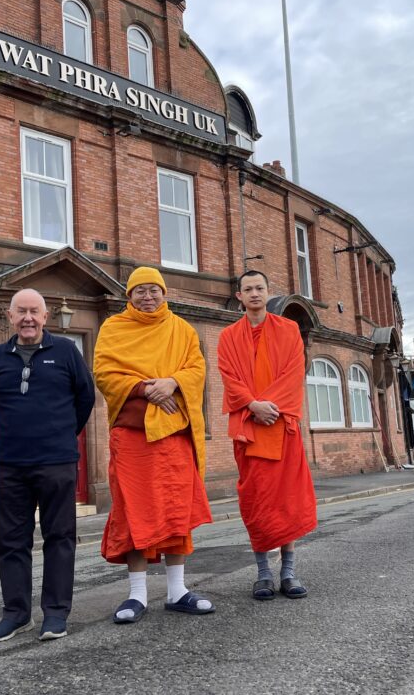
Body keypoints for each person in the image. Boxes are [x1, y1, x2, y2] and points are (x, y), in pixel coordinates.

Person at [94, 266, 214, 623]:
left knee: (177, 513)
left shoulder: (182, 329)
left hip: (173, 437)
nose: (147, 297)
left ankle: (178, 591)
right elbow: (104, 373)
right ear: (128, 296)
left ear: (164, 293)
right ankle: (137, 595)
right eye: (139, 291)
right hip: (132, 438)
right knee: (134, 512)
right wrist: (146, 389)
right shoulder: (113, 328)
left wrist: (173, 382)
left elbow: (197, 368)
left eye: (154, 290)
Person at [0, 288, 95, 643]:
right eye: (21, 312)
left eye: (34, 311)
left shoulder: (66, 352)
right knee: (11, 541)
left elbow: (85, 397)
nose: (28, 318)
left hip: (57, 462)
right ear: (10, 317)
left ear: (45, 317)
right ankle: (16, 614)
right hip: (9, 464)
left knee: (59, 538)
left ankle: (56, 613)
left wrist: (60, 433)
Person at [216, 270, 318, 600]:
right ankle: (262, 573)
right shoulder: (229, 336)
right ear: (240, 296)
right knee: (256, 500)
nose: (255, 293)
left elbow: (293, 374)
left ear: (268, 292)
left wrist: (268, 406)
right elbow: (229, 377)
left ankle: (288, 572)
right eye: (248, 289)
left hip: (282, 426)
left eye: (260, 288)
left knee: (286, 500)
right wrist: (252, 405)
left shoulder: (289, 330)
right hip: (249, 429)